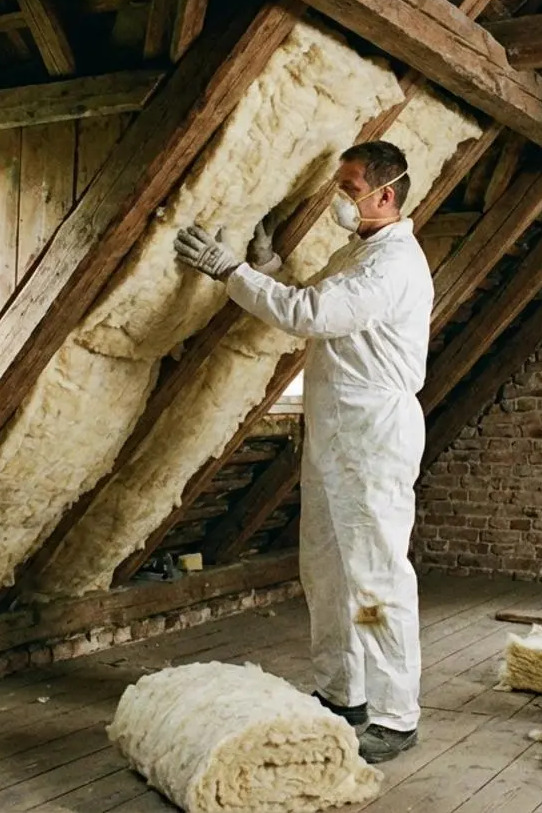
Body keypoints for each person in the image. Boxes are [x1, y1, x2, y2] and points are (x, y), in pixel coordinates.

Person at [172, 141, 430, 763]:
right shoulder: (361, 250)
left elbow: (309, 313)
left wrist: (231, 270)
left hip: (373, 435)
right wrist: (268, 263)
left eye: (348, 189)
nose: (340, 199)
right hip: (338, 431)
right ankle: (343, 694)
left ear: (384, 194)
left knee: (374, 576)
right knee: (327, 568)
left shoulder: (393, 263)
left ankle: (395, 715)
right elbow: (310, 291)